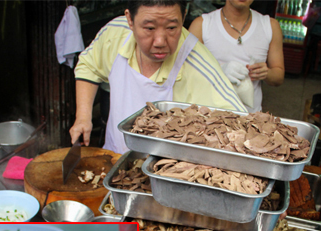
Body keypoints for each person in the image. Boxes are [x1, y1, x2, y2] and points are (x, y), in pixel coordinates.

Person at [70, 0, 247, 154]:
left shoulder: (198, 65)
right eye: (149, 28)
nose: (160, 41)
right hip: (113, 159)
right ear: (130, 19)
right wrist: (83, 117)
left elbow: (239, 124)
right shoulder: (116, 33)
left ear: (184, 16)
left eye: (171, 28)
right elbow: (89, 67)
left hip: (167, 176)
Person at [188, 0, 285, 113]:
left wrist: (266, 73)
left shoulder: (270, 26)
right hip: (210, 118)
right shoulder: (202, 25)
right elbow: (186, 75)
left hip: (250, 119)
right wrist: (218, 72)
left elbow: (278, 77)